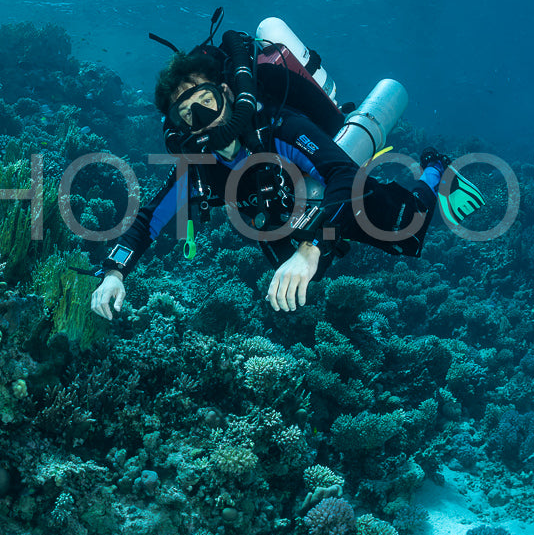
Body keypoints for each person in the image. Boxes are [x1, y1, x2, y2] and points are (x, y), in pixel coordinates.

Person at [89, 21, 485, 319]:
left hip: (330, 199)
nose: (203, 121)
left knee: (406, 230)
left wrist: (311, 249)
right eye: (188, 116)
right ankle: (311, 245)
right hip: (296, 221)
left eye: (206, 103)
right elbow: (147, 220)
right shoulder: (198, 168)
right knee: (284, 253)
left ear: (227, 94)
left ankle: (436, 168)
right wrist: (114, 272)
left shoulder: (278, 127)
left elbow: (343, 176)